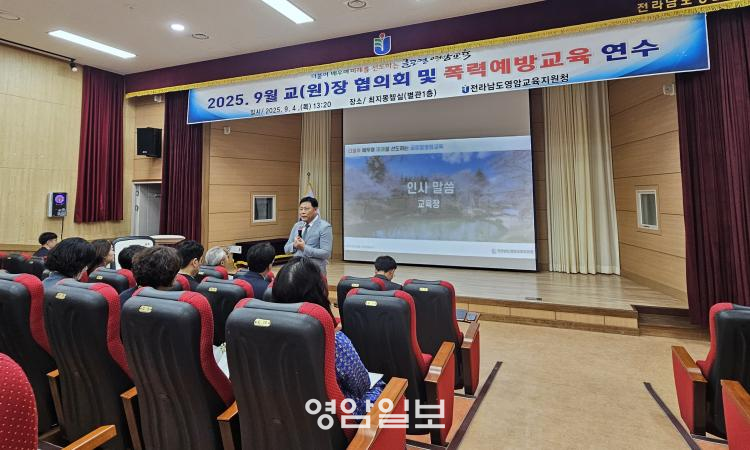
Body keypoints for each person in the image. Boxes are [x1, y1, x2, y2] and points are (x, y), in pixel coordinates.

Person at [272, 257, 384, 416]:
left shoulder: (261, 337)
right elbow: (362, 386)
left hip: (282, 414)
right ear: (320, 294)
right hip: (331, 419)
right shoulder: (334, 342)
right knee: (382, 388)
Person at [284, 197, 333, 275]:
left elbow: (326, 253)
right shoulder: (297, 225)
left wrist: (304, 248)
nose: (303, 212)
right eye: (301, 209)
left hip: (315, 271)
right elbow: (286, 248)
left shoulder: (324, 227)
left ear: (315, 209)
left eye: (306, 209)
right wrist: (294, 245)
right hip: (296, 270)